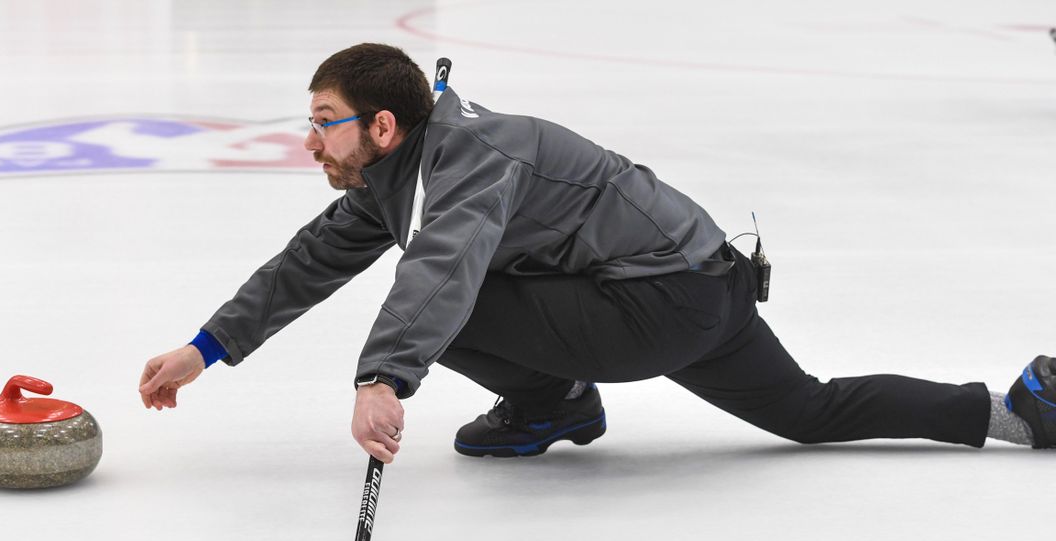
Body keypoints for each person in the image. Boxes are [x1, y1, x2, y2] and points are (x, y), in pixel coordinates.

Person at [138, 43, 1056, 463]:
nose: (310, 141)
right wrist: (204, 350)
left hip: (659, 304)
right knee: (809, 413)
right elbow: (309, 263)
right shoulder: (402, 173)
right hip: (705, 292)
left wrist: (383, 377)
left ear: (381, 125)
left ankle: (551, 405)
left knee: (440, 291)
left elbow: (441, 269)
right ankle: (1017, 412)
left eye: (324, 123)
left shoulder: (466, 163)